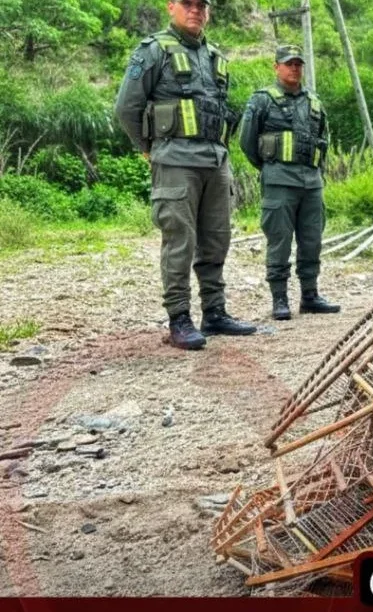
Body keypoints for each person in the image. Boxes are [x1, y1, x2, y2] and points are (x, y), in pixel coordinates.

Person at [114, 0, 257, 350]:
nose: (196, 10)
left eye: (201, 5)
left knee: (217, 238)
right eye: (188, 3)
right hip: (175, 159)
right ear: (171, 6)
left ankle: (215, 312)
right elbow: (126, 107)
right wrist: (148, 148)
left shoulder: (214, 55)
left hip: (215, 160)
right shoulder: (153, 50)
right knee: (179, 239)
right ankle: (179, 318)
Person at [238, 45, 340, 320]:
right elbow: (247, 142)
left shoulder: (314, 102)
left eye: (298, 64)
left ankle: (310, 295)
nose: (294, 68)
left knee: (312, 239)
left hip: (311, 182)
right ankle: (280, 299)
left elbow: (324, 140)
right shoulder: (262, 100)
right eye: (288, 63)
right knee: (279, 240)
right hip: (279, 181)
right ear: (276, 67)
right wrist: (269, 168)